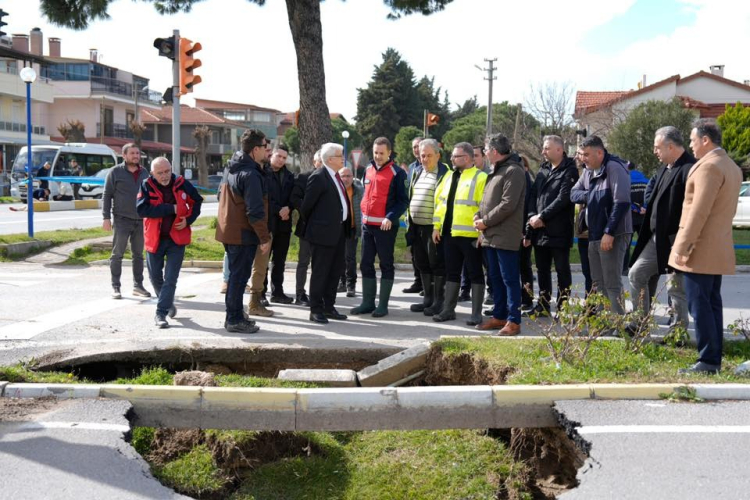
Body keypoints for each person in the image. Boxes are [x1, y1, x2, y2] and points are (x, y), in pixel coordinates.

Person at [670, 119, 742, 374]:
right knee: (711, 304)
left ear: (705, 140)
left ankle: (708, 360)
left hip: (699, 248)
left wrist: (682, 246)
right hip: (717, 245)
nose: (690, 145)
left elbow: (698, 212)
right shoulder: (730, 166)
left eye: (692, 140)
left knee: (700, 305)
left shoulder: (709, 166)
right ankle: (712, 357)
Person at [628, 126, 694, 331]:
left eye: (657, 147)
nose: (654, 151)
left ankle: (678, 333)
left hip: (678, 238)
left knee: (676, 288)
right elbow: (651, 194)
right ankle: (640, 323)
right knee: (636, 273)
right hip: (656, 237)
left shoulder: (690, 168)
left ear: (670, 146)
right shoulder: (664, 168)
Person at [215, 129, 272, 334]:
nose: (267, 150)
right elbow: (254, 211)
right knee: (239, 279)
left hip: (230, 230)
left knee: (236, 278)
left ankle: (236, 314)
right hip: (242, 233)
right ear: (255, 149)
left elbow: (220, 195)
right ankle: (234, 319)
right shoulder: (250, 174)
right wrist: (264, 238)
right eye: (265, 146)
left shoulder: (232, 167)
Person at [136, 157, 203, 328]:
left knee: (171, 278)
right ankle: (167, 303)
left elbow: (197, 201)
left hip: (176, 240)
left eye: (167, 171)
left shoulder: (182, 183)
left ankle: (160, 313)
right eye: (160, 173)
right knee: (155, 277)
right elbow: (142, 210)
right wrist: (171, 208)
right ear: (152, 173)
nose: (165, 176)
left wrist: (188, 220)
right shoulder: (146, 185)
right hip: (154, 239)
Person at [570, 136, 632, 315]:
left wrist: (609, 232)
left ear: (600, 152)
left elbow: (621, 203)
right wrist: (591, 195)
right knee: (597, 282)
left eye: (586, 154)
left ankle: (617, 322)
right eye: (582, 154)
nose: (583, 159)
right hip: (594, 233)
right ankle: (604, 321)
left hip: (613, 233)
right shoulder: (589, 171)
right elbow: (573, 194)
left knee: (611, 282)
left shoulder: (614, 168)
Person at [474, 134, 527, 336]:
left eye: (486, 150)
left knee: (509, 279)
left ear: (495, 151)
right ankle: (500, 315)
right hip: (490, 234)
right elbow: (487, 200)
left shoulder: (514, 171)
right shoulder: (496, 170)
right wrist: (478, 215)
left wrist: (485, 221)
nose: (485, 153)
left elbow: (507, 204)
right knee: (495, 277)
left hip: (505, 235)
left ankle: (514, 320)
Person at [350, 137, 408, 318]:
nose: (378, 156)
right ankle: (367, 303)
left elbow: (403, 201)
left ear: (389, 152)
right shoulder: (367, 169)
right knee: (365, 263)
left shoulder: (398, 173)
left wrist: (390, 217)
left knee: (385, 264)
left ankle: (382, 305)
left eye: (381, 153)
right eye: (375, 152)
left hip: (385, 227)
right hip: (367, 226)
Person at [432, 142, 487, 325]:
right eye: (452, 156)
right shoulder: (449, 176)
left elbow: (484, 207)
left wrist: (482, 232)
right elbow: (440, 203)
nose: (452, 159)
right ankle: (448, 310)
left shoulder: (480, 177)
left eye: (456, 156)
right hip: (449, 234)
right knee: (452, 272)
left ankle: (476, 314)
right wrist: (436, 227)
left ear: (468, 158)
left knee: (475, 273)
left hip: (471, 235)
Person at [524, 135, 579, 316]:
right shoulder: (543, 169)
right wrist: (532, 216)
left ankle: (563, 307)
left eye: (547, 148)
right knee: (542, 270)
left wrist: (543, 216)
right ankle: (543, 305)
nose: (543, 152)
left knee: (562, 270)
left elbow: (563, 198)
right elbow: (533, 195)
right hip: (539, 229)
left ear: (559, 150)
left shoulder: (569, 170)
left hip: (559, 229)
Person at [301, 143, 352, 324]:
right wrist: (320, 225)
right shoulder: (319, 177)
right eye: (340, 155)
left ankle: (329, 306)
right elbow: (306, 207)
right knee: (320, 272)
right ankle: (316, 309)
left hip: (338, 232)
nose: (343, 158)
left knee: (335, 271)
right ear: (330, 159)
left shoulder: (336, 176)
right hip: (322, 234)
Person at [102, 144, 152, 300]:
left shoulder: (145, 173)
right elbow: (107, 195)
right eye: (132, 153)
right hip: (121, 219)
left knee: (138, 255)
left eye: (137, 153)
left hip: (141, 220)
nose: (136, 156)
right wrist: (106, 217)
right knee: (117, 254)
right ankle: (116, 287)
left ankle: (138, 286)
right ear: (124, 155)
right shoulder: (115, 172)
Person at [407, 139, 450, 315]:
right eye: (422, 155)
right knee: (421, 263)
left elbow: (445, 203)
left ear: (438, 155)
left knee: (436, 263)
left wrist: (437, 227)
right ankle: (428, 299)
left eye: (429, 155)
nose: (424, 159)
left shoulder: (445, 174)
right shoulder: (418, 172)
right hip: (417, 227)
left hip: (434, 228)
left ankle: (439, 301)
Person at [246, 144, 278, 317]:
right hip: (249, 228)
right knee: (243, 269)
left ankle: (255, 302)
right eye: (267, 150)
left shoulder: (268, 173)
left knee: (260, 267)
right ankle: (237, 309)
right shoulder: (248, 173)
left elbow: (272, 200)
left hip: (266, 226)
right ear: (256, 150)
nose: (269, 153)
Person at [290, 150, 323, 305]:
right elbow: (294, 198)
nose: (322, 164)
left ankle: (318, 294)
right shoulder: (303, 177)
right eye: (320, 161)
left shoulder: (332, 178)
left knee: (320, 263)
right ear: (314, 162)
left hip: (325, 228)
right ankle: (300, 294)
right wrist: (307, 209)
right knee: (304, 262)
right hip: (307, 226)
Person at [266, 146, 295, 304]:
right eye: (279, 156)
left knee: (279, 261)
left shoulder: (289, 176)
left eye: (284, 158)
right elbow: (263, 198)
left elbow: (294, 196)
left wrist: (288, 208)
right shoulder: (263, 173)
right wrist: (279, 210)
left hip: (284, 224)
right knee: (263, 261)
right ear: (272, 155)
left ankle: (277, 292)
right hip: (267, 223)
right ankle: (260, 294)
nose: (281, 160)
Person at [403, 136, 425, 295]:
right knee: (414, 251)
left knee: (427, 253)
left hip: (427, 216)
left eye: (418, 146)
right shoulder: (412, 167)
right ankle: (418, 282)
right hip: (412, 216)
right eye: (414, 147)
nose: (416, 149)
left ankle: (429, 285)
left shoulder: (434, 166)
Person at [338, 166, 364, 297]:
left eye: (348, 176)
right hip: (338, 228)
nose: (346, 179)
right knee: (339, 257)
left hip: (352, 228)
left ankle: (350, 284)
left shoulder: (359, 191)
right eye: (343, 176)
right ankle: (341, 282)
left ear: (352, 178)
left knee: (350, 257)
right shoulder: (336, 190)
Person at [623, 161, 649, 273]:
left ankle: (624, 269)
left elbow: (624, 197)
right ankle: (643, 268)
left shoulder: (625, 180)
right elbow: (651, 194)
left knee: (626, 244)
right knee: (645, 243)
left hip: (630, 216)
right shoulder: (646, 180)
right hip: (644, 216)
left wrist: (635, 208)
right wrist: (645, 207)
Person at [574, 147, 593, 296]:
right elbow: (573, 194)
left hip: (597, 231)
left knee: (597, 273)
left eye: (581, 154)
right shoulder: (582, 173)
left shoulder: (601, 171)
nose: (578, 157)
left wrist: (585, 194)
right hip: (582, 230)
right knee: (587, 271)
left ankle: (599, 305)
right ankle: (590, 304)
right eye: (578, 154)